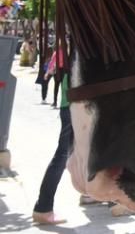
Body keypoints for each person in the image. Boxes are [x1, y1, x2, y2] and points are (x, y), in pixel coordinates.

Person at [32, 68, 72, 225]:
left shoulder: (76, 52)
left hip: (70, 106)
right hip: (75, 108)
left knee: (79, 154)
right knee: (62, 156)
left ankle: (92, 195)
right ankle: (43, 208)